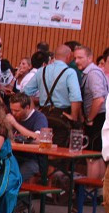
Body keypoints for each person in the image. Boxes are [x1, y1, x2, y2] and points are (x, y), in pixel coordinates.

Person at [24, 44, 82, 147]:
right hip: (62, 116)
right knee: (59, 153)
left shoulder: (42, 70)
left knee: (43, 149)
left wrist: (34, 111)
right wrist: (74, 117)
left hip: (43, 115)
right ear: (69, 56)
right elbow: (75, 97)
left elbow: (25, 92)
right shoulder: (70, 73)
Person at [76, 46, 108, 179]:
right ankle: (97, 191)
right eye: (75, 57)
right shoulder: (90, 72)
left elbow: (99, 99)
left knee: (91, 156)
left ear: (90, 58)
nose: (77, 61)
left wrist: (89, 118)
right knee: (97, 154)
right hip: (98, 118)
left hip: (97, 119)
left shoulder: (93, 73)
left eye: (80, 58)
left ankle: (89, 189)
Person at [7, 93, 48, 183]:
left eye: (17, 111)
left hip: (32, 160)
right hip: (14, 157)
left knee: (12, 181)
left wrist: (15, 124)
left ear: (27, 108)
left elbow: (38, 139)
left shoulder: (39, 118)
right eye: (12, 110)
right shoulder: (12, 117)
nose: (13, 113)